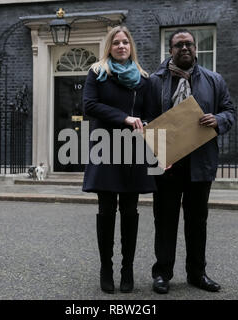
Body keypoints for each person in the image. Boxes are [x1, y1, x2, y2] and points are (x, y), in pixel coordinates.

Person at [149, 29, 235, 293]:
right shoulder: (155, 81)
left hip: (200, 162)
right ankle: (162, 274)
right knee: (165, 220)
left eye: (189, 44)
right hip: (168, 164)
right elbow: (146, 120)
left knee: (197, 221)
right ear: (171, 50)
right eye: (178, 45)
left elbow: (230, 111)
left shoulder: (214, 80)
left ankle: (197, 273)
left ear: (195, 49)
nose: (184, 48)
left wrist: (218, 120)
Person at [82, 26, 157, 294]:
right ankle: (106, 268)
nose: (122, 46)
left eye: (125, 42)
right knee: (106, 211)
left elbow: (151, 113)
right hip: (105, 148)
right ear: (109, 47)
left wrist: (144, 123)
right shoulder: (98, 73)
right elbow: (89, 106)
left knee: (129, 211)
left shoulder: (145, 79)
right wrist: (124, 117)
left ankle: (127, 269)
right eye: (116, 43)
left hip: (133, 151)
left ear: (131, 46)